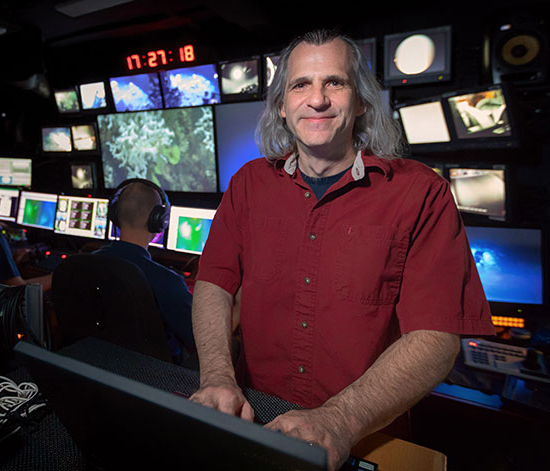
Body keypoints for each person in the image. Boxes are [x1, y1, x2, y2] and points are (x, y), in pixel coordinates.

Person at [189, 29, 494, 470]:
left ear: (363, 101)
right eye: (300, 85)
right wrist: (217, 376)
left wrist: (341, 418)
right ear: (281, 105)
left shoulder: (421, 192)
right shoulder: (247, 185)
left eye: (335, 82)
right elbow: (214, 281)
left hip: (365, 434)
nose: (317, 100)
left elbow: (437, 336)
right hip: (255, 416)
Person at [94, 179, 196, 364]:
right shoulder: (167, 282)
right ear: (159, 221)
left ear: (114, 216)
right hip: (154, 381)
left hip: (94, 368)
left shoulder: (84, 263)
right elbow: (203, 341)